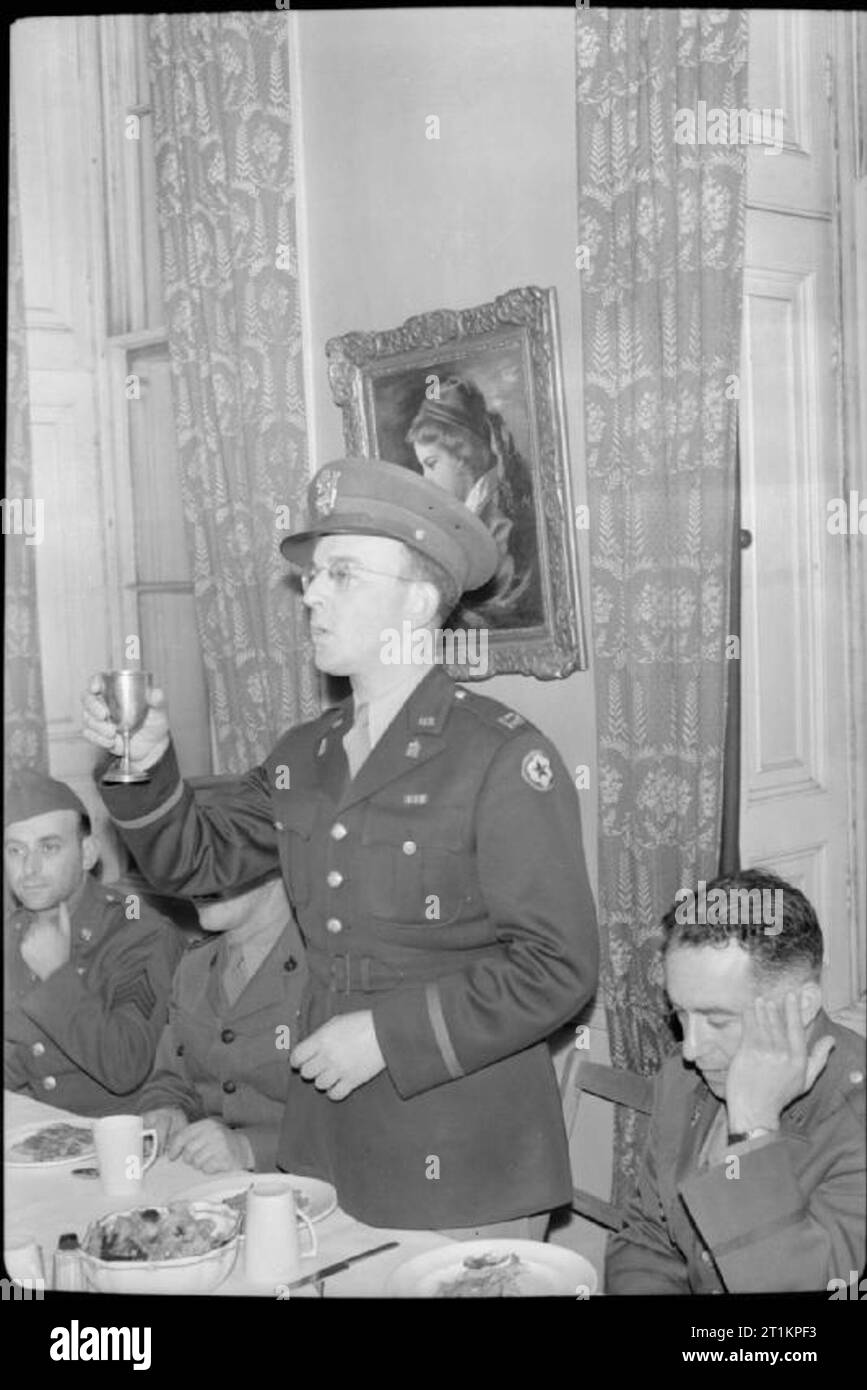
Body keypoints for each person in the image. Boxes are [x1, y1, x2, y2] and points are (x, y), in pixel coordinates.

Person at [83, 457, 599, 1236]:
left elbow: (558, 968)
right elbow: (196, 861)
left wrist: (389, 1037)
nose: (312, 595)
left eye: (343, 574)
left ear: (419, 602)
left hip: (460, 1152)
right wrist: (146, 765)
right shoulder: (305, 754)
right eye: (315, 574)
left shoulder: (498, 758)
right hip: (325, 1145)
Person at [606, 869, 866, 1294]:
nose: (690, 1048)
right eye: (681, 1014)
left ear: (801, 1006)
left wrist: (754, 1124)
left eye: (718, 1020)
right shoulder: (683, 1078)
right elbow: (647, 1239)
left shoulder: (855, 1113)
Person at [4, 769, 181, 1115]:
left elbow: (126, 1066)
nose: (30, 868)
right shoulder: (12, 932)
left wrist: (57, 976)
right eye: (15, 851)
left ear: (87, 853)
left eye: (49, 847)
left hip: (121, 1143)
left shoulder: (139, 933)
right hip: (36, 1137)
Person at [136, 870, 308, 1174]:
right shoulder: (195, 966)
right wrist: (168, 1110)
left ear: (275, 867)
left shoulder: (326, 971)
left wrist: (250, 1148)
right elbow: (171, 1079)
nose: (195, 878)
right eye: (191, 862)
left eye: (221, 860)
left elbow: (360, 1123)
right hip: (215, 1190)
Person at [406, 376, 541, 628]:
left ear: (461, 455)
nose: (426, 479)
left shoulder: (499, 523)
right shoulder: (463, 515)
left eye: (431, 464)